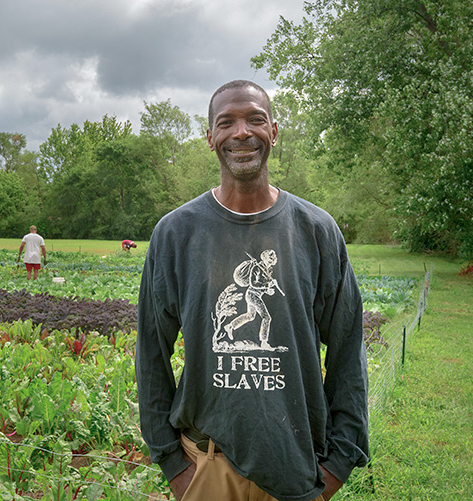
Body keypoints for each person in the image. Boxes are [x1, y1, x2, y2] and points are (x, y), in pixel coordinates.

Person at [135, 80, 369, 501]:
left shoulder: (316, 231)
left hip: (296, 467)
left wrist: (339, 463)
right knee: (248, 314)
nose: (241, 132)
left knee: (258, 316)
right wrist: (174, 465)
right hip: (205, 466)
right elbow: (151, 351)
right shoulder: (176, 233)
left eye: (255, 119)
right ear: (211, 138)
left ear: (273, 132)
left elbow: (349, 348)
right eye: (226, 122)